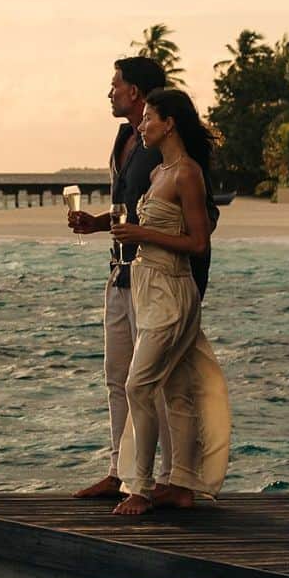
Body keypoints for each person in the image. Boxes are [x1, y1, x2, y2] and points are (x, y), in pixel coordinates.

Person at [105, 87, 230, 516]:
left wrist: (141, 234)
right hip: (146, 286)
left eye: (148, 119)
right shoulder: (160, 173)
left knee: (138, 385)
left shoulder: (186, 174)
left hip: (173, 291)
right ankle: (181, 483)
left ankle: (138, 487)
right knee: (175, 389)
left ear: (169, 123)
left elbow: (198, 242)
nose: (141, 126)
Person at [68, 56, 168, 500]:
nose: (110, 93)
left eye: (116, 86)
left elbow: (171, 211)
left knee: (150, 382)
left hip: (149, 275)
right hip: (118, 271)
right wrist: (98, 222)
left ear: (137, 93)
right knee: (116, 376)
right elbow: (128, 209)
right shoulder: (124, 136)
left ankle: (159, 479)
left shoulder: (158, 143)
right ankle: (118, 470)